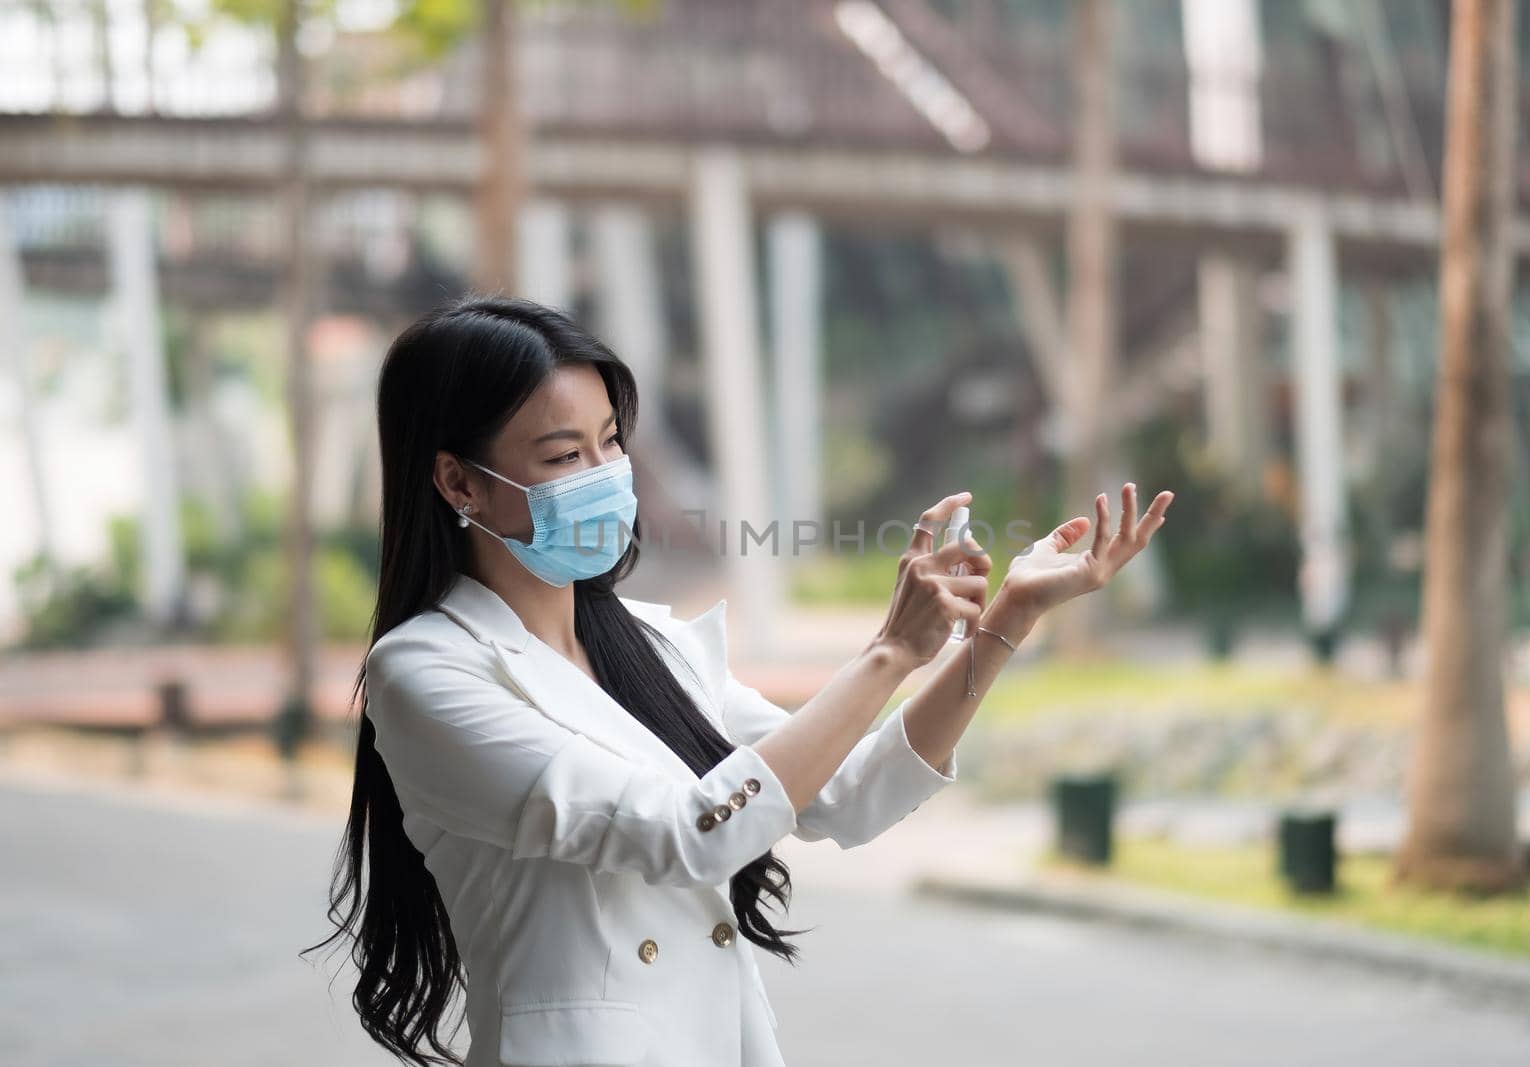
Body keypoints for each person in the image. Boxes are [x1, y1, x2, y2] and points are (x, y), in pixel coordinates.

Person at [305, 294, 1174, 1067]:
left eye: (611, 442)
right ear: (459, 481)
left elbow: (854, 791)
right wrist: (886, 654)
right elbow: (690, 832)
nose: (607, 476)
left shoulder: (652, 645)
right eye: (563, 456)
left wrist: (1006, 616)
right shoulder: (425, 672)